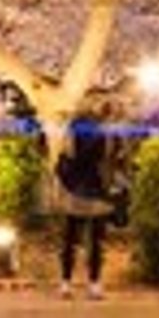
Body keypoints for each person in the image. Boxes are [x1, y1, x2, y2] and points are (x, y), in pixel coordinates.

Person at [49, 102, 117, 301]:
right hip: (96, 190)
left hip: (75, 190)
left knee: (70, 239)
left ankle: (66, 283)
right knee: (95, 241)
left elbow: (64, 159)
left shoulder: (71, 129)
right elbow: (109, 159)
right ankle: (94, 284)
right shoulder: (104, 131)